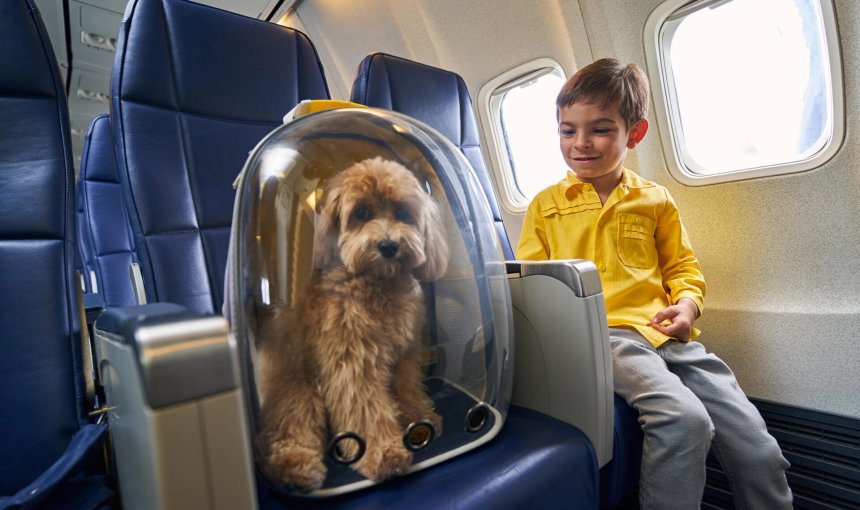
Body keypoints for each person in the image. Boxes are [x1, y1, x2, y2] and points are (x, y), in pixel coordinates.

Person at [516, 58, 793, 510]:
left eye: (600, 129)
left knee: (758, 448)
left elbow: (683, 267)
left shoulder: (654, 199)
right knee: (684, 421)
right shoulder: (545, 206)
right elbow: (534, 288)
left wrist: (687, 307)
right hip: (605, 338)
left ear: (635, 133)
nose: (580, 143)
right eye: (568, 131)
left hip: (671, 336)